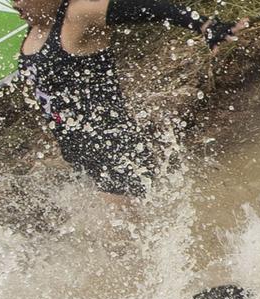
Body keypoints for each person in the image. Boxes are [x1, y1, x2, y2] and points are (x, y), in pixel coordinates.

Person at [13, 0, 241, 199]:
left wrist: (203, 25)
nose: (16, 4)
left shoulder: (79, 14)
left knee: (121, 246)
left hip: (115, 151)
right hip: (81, 158)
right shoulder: (36, 27)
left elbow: (147, 7)